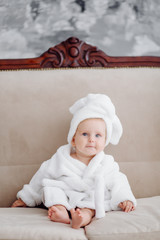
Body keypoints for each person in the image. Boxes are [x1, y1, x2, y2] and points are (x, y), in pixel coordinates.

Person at [12, 93, 136, 229]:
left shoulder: (106, 163)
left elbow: (119, 180)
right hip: (66, 196)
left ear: (105, 141)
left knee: (92, 206)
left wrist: (125, 198)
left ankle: (83, 218)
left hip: (90, 200)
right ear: (73, 139)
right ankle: (60, 211)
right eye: (85, 134)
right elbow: (41, 176)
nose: (91, 139)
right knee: (50, 188)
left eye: (98, 135)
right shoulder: (61, 158)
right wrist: (26, 197)